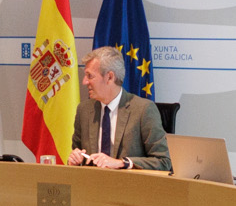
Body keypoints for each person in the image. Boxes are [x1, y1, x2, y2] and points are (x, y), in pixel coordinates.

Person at [68, 42, 170, 171]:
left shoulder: (143, 110)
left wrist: (122, 163)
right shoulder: (84, 110)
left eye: (90, 76)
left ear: (110, 77)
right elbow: (79, 155)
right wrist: (75, 161)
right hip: (92, 182)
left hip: (128, 183)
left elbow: (163, 162)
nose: (84, 82)